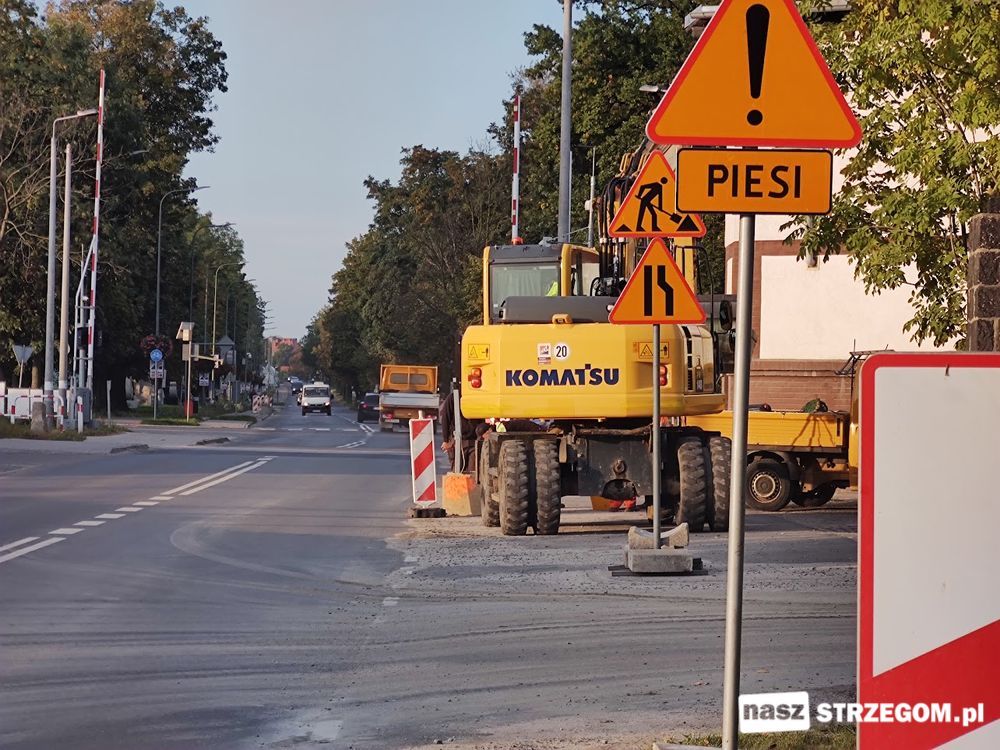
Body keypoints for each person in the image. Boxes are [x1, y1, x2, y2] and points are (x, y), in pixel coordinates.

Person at [439, 384, 476, 472]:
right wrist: (446, 440)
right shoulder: (453, 398)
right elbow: (446, 419)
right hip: (457, 441)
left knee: (472, 472)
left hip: (474, 441)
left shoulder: (478, 398)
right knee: (457, 470)